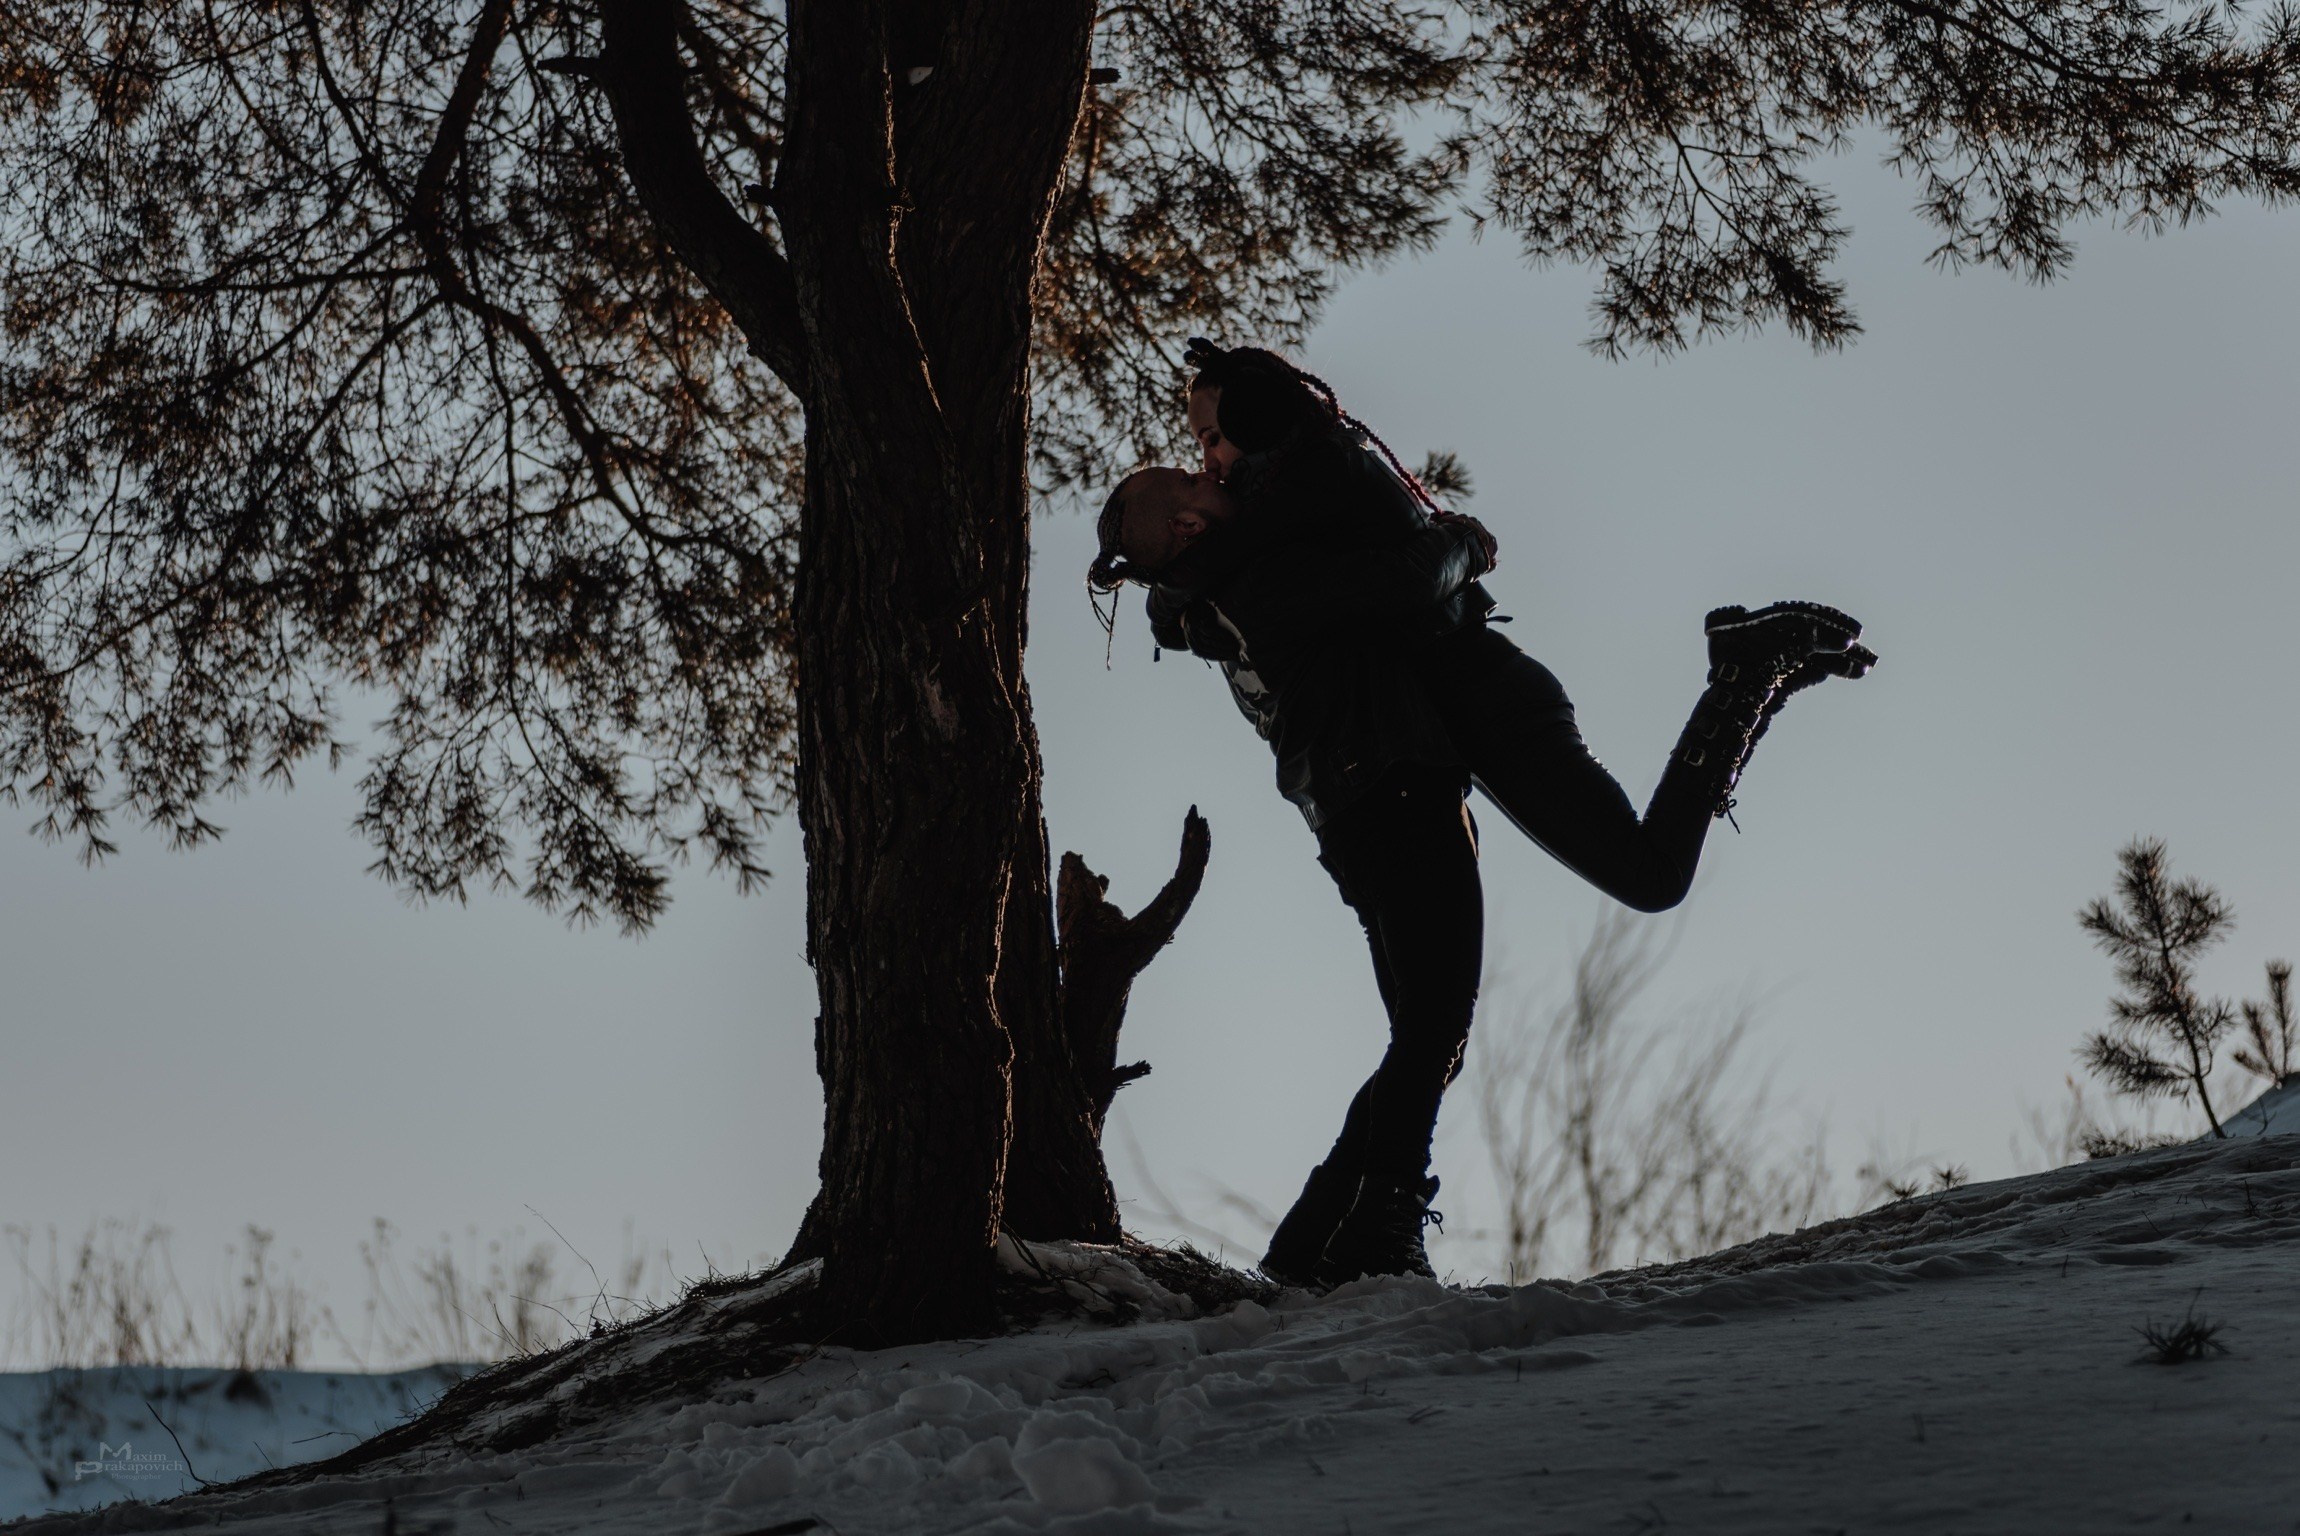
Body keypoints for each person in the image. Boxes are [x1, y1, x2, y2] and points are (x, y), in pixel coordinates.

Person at [1088, 343, 1875, 1289]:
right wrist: (1462, 538)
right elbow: (1388, 573)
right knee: (1435, 1025)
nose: (1213, 457)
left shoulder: (1278, 509)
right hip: (1408, 757)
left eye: (1215, 438)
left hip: (1464, 716)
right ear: (1180, 519)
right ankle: (1336, 1237)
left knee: (1454, 1011)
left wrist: (1285, 430)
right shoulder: (1245, 562)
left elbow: (1323, 480)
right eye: (1202, 451)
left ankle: (1335, 1235)